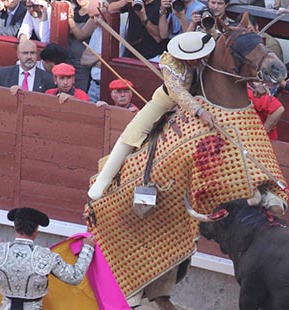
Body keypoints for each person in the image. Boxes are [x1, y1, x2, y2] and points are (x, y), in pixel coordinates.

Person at [87, 31, 217, 200]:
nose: (196, 60)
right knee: (131, 134)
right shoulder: (171, 61)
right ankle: (103, 180)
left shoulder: (204, 59)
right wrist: (199, 111)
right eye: (192, 57)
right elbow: (176, 91)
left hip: (193, 103)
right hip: (164, 102)